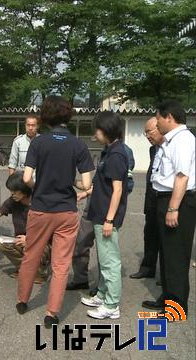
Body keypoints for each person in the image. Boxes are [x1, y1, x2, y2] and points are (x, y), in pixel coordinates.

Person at [16, 96, 94, 328]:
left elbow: (27, 178)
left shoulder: (38, 143)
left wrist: (39, 188)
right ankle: (52, 313)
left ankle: (22, 300)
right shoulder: (78, 144)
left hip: (40, 209)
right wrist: (71, 184)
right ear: (67, 115)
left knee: (31, 255)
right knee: (61, 264)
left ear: (45, 116)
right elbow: (86, 183)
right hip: (67, 212)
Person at [142, 100, 196, 318]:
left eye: (158, 118)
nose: (157, 123)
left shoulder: (183, 140)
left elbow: (182, 176)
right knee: (166, 254)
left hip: (178, 201)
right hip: (165, 198)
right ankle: (167, 299)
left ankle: (177, 308)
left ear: (169, 118)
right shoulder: (171, 140)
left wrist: (173, 208)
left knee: (176, 256)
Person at [77, 111, 129, 319]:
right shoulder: (109, 150)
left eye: (97, 130)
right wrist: (87, 192)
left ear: (106, 130)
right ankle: (102, 294)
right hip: (99, 214)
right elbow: (104, 184)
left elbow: (117, 190)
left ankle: (111, 305)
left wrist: (109, 220)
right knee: (104, 257)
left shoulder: (117, 155)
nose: (95, 134)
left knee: (109, 262)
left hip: (106, 217)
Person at [67, 142, 135, 293]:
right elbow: (98, 182)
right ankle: (80, 279)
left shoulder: (122, 152)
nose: (94, 135)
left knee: (104, 252)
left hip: (106, 210)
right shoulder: (106, 151)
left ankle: (103, 289)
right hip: (92, 206)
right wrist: (85, 192)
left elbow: (124, 186)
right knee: (81, 243)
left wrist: (110, 216)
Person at [0, 172, 50, 284]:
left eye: (15, 191)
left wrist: (29, 240)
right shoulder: (13, 201)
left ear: (25, 190)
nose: (12, 194)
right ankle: (26, 269)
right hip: (21, 240)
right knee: (1, 242)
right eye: (11, 190)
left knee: (31, 246)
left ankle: (41, 272)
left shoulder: (39, 203)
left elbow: (48, 230)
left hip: (41, 243)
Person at [130, 117, 164, 279]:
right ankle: (147, 268)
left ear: (160, 128)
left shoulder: (171, 148)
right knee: (149, 234)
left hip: (166, 201)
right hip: (151, 200)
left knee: (166, 240)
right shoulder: (153, 150)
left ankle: (165, 276)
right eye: (145, 133)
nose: (147, 136)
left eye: (149, 132)